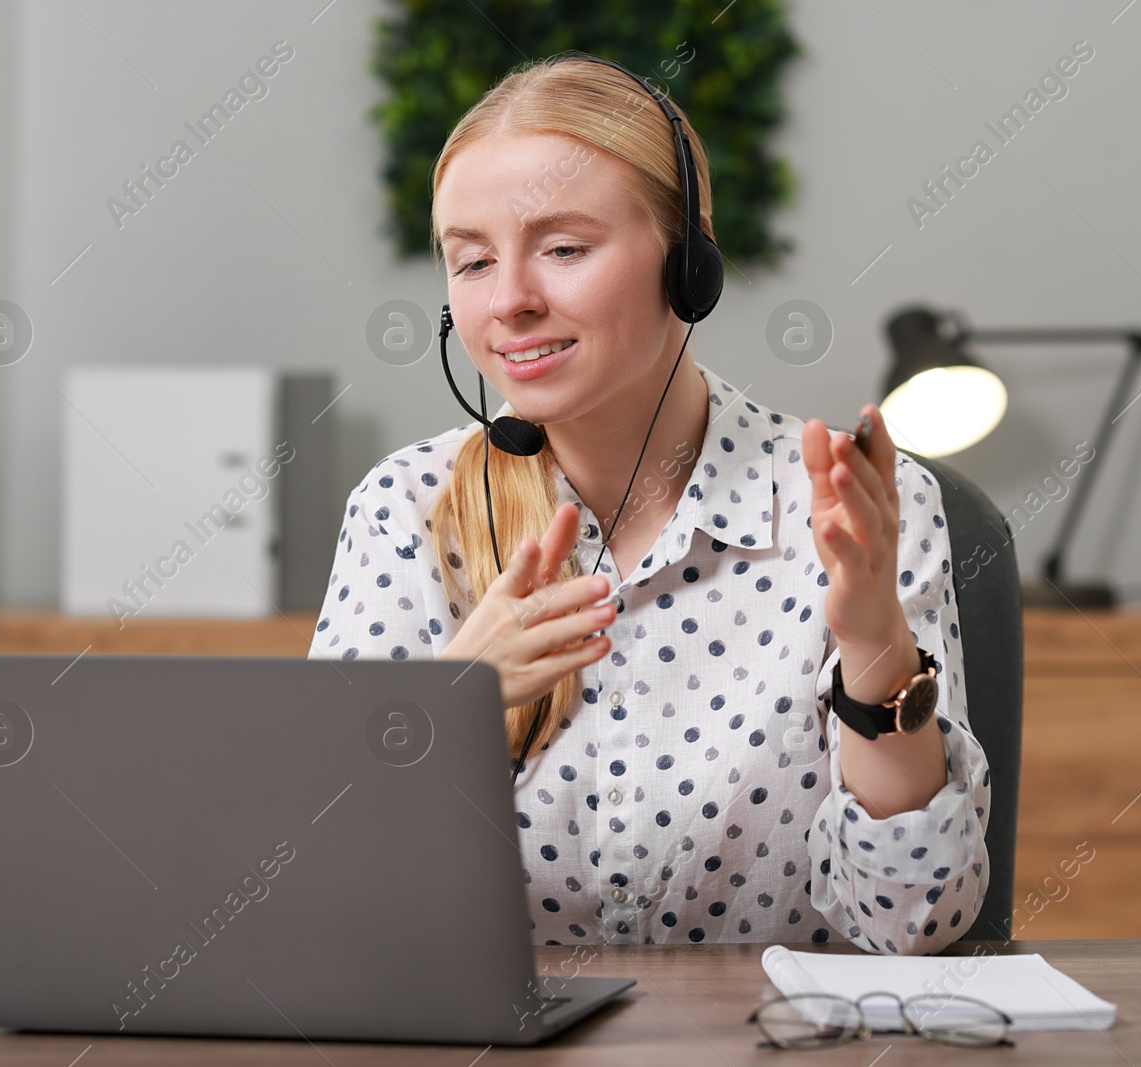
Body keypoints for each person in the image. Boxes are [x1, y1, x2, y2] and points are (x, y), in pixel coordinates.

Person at [309, 53, 990, 953]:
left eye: (562, 249)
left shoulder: (851, 507)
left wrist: (874, 646)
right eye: (471, 261)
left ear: (688, 259)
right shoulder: (405, 510)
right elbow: (315, 905)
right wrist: (442, 712)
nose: (509, 300)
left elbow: (911, 924)